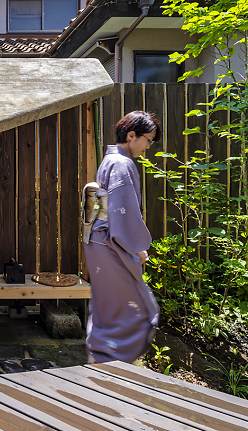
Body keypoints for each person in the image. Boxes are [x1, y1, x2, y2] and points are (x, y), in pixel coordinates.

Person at [84, 110, 161, 364]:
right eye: (148, 140)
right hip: (110, 242)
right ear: (131, 136)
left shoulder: (111, 159)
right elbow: (122, 213)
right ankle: (112, 363)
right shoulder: (122, 163)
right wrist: (137, 248)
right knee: (134, 305)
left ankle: (103, 358)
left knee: (109, 305)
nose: (147, 147)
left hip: (99, 241)